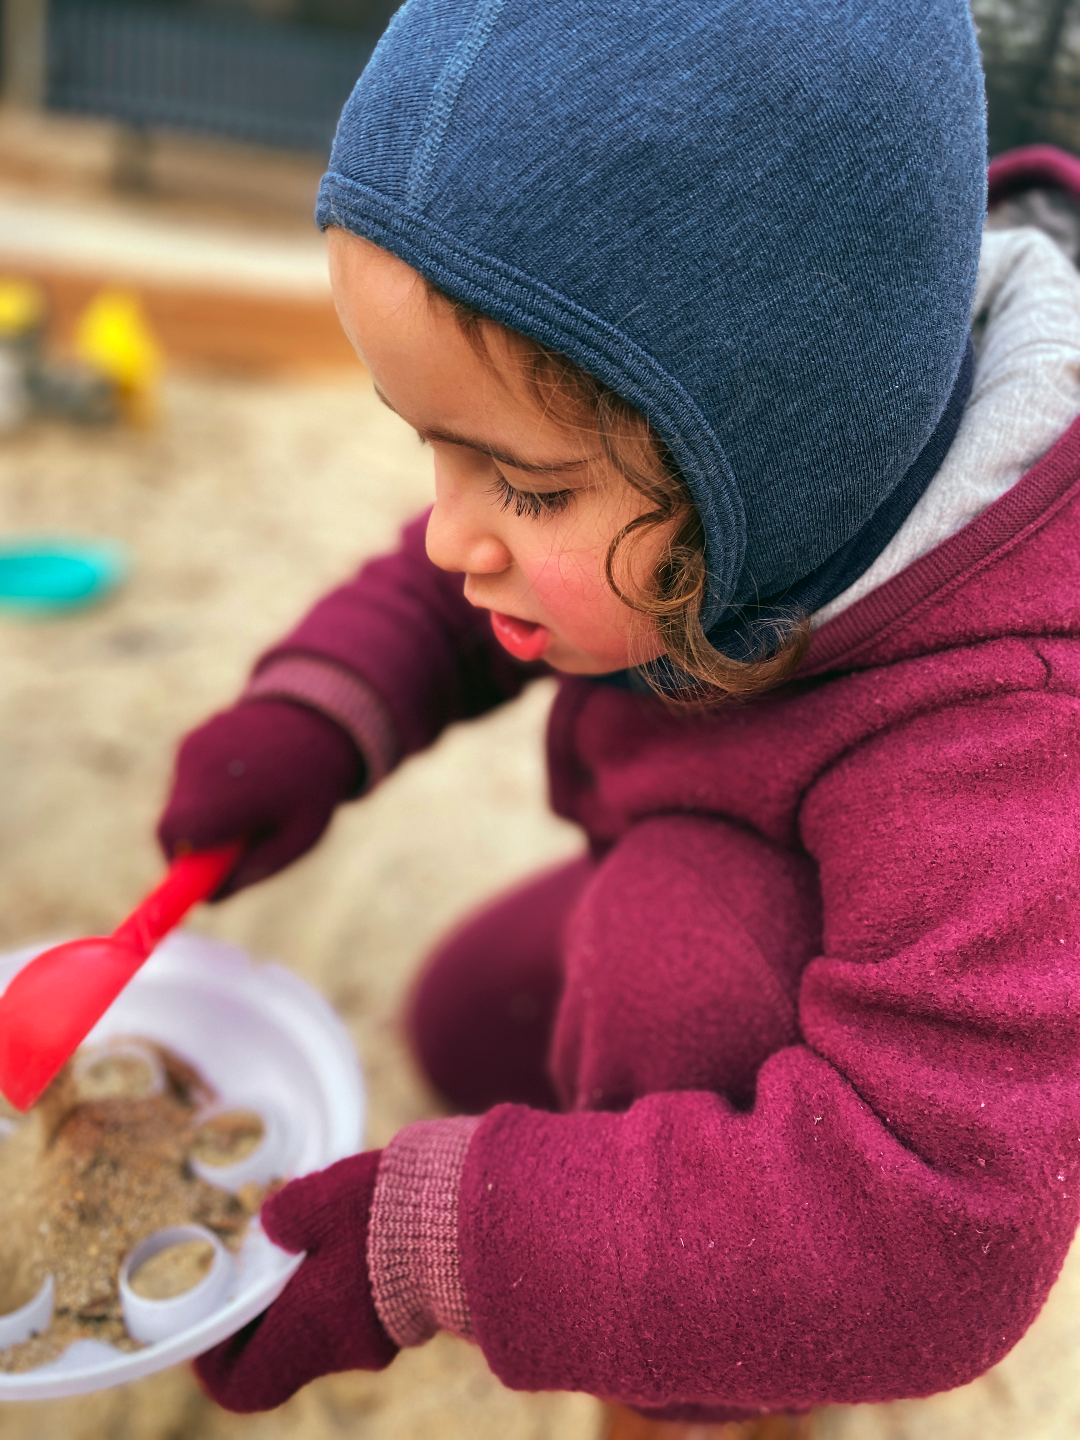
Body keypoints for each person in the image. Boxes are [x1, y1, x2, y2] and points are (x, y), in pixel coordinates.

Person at [157, 0, 1080, 1425]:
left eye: (520, 485)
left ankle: (712, 1406)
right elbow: (468, 579)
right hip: (733, 832)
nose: (455, 533)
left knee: (671, 969)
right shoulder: (745, 497)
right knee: (476, 1022)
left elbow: (938, 1235)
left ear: (767, 462)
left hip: (964, 1028)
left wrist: (446, 1248)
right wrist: (323, 707)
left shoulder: (1004, 716)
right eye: (432, 450)